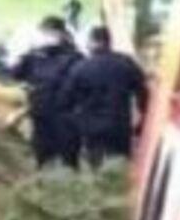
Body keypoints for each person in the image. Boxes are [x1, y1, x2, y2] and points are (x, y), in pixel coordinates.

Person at [0, 16, 81, 168]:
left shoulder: (71, 57)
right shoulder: (36, 56)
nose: (46, 36)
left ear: (61, 33)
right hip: (47, 114)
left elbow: (14, 73)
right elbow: (15, 73)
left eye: (49, 32)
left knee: (60, 157)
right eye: (44, 32)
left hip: (58, 114)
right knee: (50, 156)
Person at [62, 25, 149, 166]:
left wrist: (76, 123)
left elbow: (65, 101)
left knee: (96, 167)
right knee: (120, 166)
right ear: (109, 42)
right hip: (119, 126)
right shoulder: (126, 63)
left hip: (92, 129)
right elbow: (143, 92)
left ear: (90, 42)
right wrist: (143, 118)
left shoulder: (80, 68)